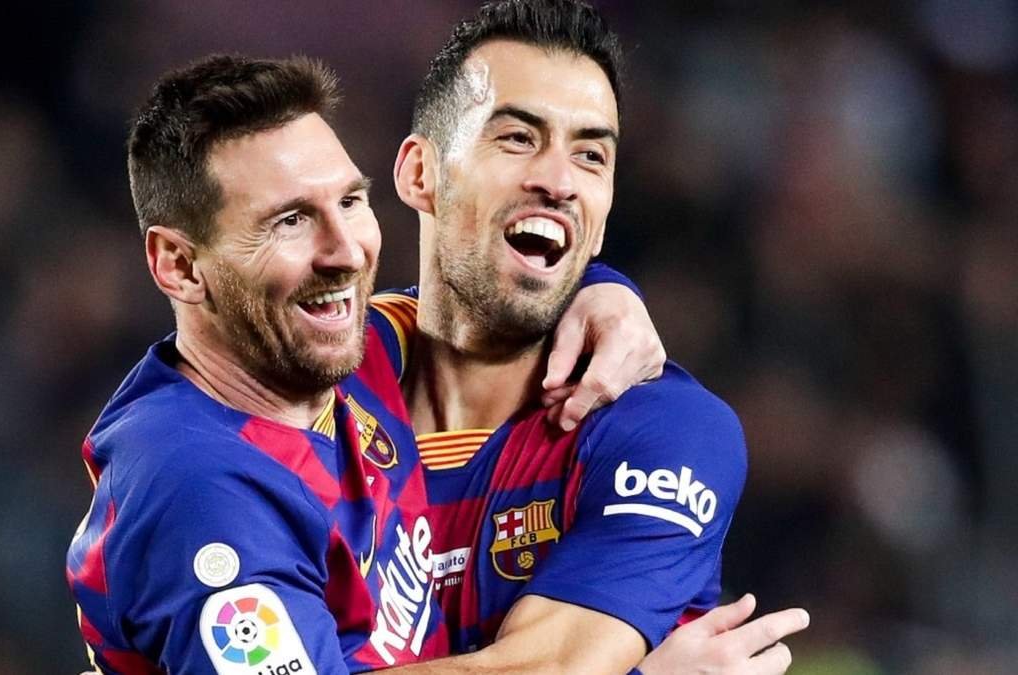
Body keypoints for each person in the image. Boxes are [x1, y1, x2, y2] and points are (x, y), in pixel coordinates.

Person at [65, 54, 669, 674]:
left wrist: (606, 291)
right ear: (180, 266)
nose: (347, 252)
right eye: (290, 221)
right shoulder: (205, 492)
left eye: (351, 201)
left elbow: (479, 302)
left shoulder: (341, 351)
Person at [381, 1, 808, 673]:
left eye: (590, 155)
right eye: (516, 138)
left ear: (604, 215)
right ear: (420, 174)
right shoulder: (311, 389)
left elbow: (548, 669)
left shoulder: (662, 430)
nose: (558, 181)